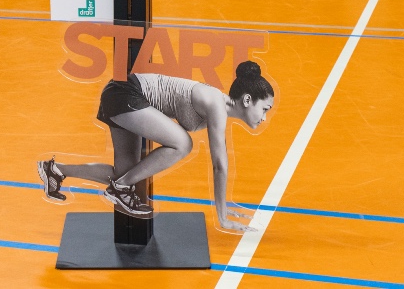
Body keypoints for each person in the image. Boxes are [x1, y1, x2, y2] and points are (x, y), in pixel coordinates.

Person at [37, 61, 274, 230]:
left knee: (125, 173)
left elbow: (220, 163)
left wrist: (224, 205)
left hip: (122, 96)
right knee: (182, 143)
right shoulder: (216, 104)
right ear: (246, 100)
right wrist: (222, 217)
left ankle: (55, 170)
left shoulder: (218, 108)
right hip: (126, 93)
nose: (264, 118)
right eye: (264, 109)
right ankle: (120, 188)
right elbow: (219, 165)